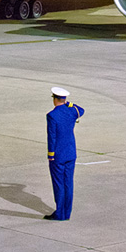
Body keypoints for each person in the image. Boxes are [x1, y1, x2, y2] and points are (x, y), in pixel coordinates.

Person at [45, 86, 84, 220]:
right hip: (70, 152)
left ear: (55, 99)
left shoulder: (52, 115)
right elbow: (81, 110)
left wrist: (50, 154)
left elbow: (52, 136)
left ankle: (60, 213)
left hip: (58, 154)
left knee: (59, 184)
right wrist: (69, 103)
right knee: (68, 183)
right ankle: (67, 212)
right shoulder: (72, 111)